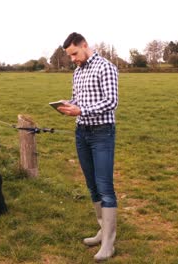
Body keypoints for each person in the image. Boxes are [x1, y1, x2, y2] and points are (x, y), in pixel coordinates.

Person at [56, 32, 118, 261]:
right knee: (92, 185)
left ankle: (109, 244)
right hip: (81, 132)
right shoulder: (77, 72)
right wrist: (68, 105)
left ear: (85, 45)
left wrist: (82, 110)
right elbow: (78, 100)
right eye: (70, 56)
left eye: (74, 53)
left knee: (104, 186)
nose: (73, 59)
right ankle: (103, 230)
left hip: (102, 133)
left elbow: (112, 101)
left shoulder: (105, 67)